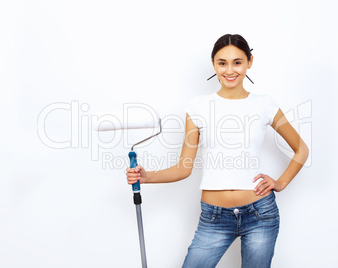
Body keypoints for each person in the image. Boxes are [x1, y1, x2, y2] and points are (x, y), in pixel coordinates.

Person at [126, 34, 309, 268]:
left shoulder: (265, 104)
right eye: (222, 63)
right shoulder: (198, 107)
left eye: (237, 62)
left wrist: (281, 182)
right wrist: (147, 176)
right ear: (213, 63)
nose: (229, 70)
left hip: (260, 214)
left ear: (249, 62)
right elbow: (184, 168)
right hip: (213, 217)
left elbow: (301, 149)